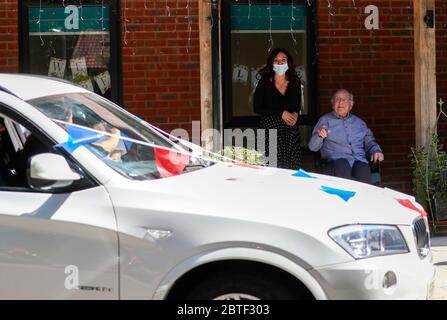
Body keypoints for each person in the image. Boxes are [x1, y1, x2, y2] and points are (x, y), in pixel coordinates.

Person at [308, 89, 384, 183]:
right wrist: (319, 137)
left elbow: (369, 142)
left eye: (344, 100)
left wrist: (376, 150)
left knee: (363, 168)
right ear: (332, 104)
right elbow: (312, 147)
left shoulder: (359, 123)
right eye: (337, 99)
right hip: (336, 162)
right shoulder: (325, 120)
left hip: (358, 161)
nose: (340, 102)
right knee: (342, 164)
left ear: (350, 105)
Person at [253, 48, 302, 170]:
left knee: (291, 170)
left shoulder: (295, 82)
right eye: (276, 60)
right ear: (272, 63)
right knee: (269, 169)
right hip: (269, 131)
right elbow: (257, 107)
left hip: (289, 132)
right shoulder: (264, 82)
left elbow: (297, 106)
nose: (280, 63)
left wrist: (295, 114)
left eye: (283, 60)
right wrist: (280, 113)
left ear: (288, 63)